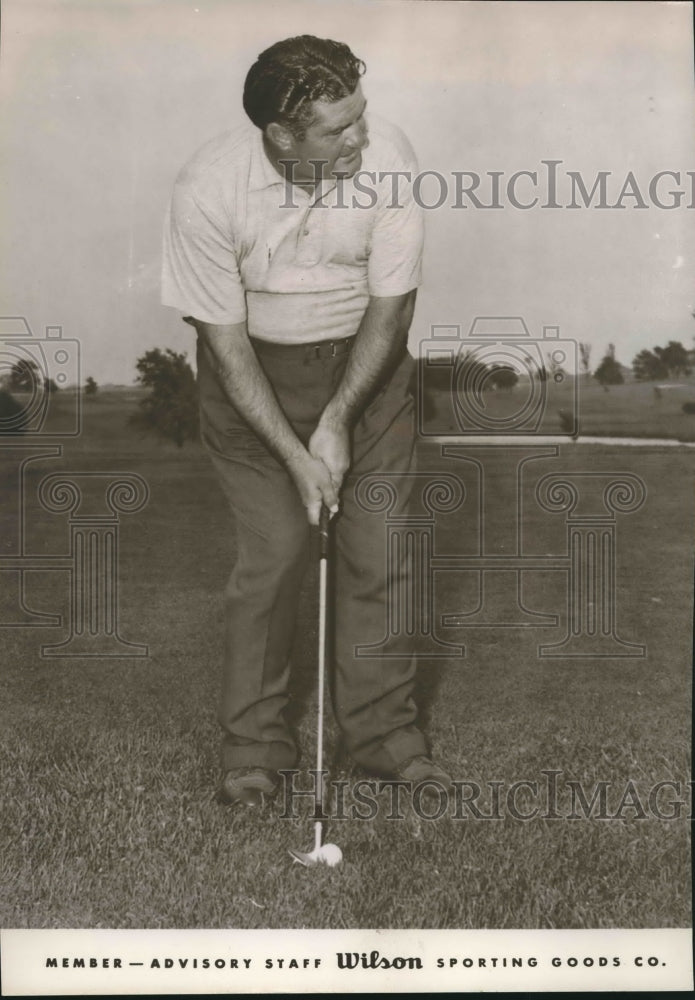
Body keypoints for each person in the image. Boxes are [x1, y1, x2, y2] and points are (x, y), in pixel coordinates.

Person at [162, 34, 452, 807]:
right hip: (250, 382)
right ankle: (252, 750)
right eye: (337, 128)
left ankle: (384, 739)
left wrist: (336, 422)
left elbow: (392, 311)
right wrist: (298, 454)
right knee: (275, 554)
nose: (360, 136)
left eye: (359, 115)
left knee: (379, 549)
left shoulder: (386, 155)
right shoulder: (207, 187)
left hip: (368, 373)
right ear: (280, 136)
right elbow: (222, 344)